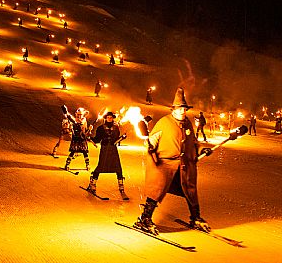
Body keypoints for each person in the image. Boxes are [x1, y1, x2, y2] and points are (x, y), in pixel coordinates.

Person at [134, 87, 211, 235]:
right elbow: (151, 142)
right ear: (173, 109)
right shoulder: (165, 123)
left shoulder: (188, 123)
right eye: (180, 108)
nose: (183, 111)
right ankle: (145, 218)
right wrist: (149, 145)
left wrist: (201, 150)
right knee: (157, 190)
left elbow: (193, 142)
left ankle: (196, 218)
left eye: (184, 108)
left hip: (183, 165)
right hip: (165, 164)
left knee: (190, 190)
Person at [87, 112, 127, 195]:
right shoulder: (101, 128)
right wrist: (89, 137)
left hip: (113, 150)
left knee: (117, 167)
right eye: (108, 117)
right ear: (105, 118)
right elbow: (97, 139)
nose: (109, 119)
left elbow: (116, 139)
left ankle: (121, 187)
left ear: (113, 118)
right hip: (105, 149)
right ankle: (93, 184)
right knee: (101, 166)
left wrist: (122, 137)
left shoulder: (116, 128)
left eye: (111, 117)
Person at [61, 106, 92, 171]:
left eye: (80, 115)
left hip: (82, 139)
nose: (79, 116)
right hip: (75, 138)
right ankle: (67, 164)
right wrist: (66, 112)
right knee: (72, 152)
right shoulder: (74, 121)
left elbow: (86, 132)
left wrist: (89, 129)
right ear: (76, 114)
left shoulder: (84, 121)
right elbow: (69, 117)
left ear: (83, 115)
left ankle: (87, 165)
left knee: (85, 152)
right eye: (78, 115)